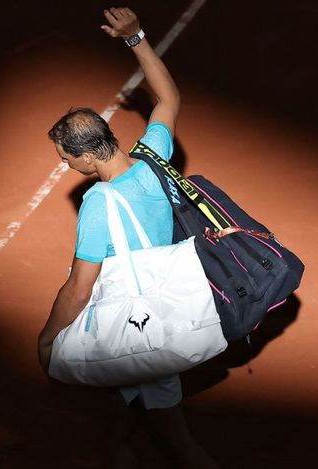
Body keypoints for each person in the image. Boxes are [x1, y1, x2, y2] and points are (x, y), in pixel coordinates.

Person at [38, 7, 220, 469]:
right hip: (164, 302)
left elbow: (80, 287)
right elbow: (168, 98)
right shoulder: (153, 156)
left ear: (86, 158)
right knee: (116, 428)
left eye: (65, 159)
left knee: (177, 442)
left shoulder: (98, 204)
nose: (66, 166)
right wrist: (136, 37)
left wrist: (48, 337)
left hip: (137, 330)